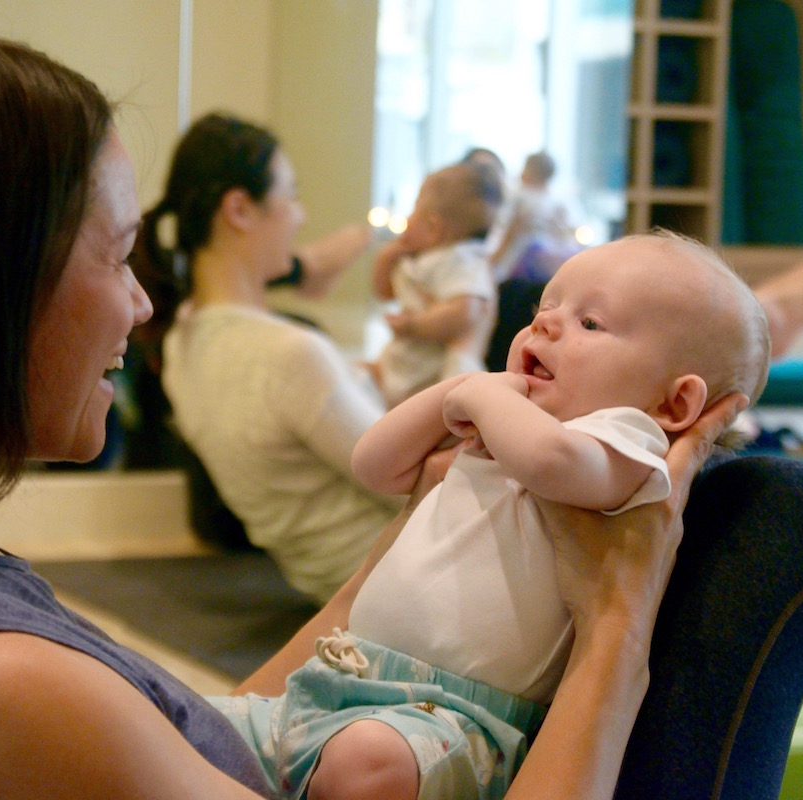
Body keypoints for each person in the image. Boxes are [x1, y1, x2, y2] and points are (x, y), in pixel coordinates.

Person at [0, 17, 803, 800]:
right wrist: (617, 625)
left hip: (371, 671)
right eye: (115, 257)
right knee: (772, 522)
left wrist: (425, 528)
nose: (142, 307)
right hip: (434, 723)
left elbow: (220, 733)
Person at [214, 231, 771, 799]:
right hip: (336, 677)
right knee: (188, 727)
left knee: (367, 762)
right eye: (544, 310)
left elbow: (551, 461)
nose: (545, 325)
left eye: (591, 324)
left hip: (452, 718)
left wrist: (481, 398)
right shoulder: (510, 416)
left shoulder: (626, 442)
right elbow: (374, 465)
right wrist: (457, 389)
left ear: (674, 405)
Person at [130, 112, 404, 603]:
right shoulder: (289, 354)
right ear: (238, 209)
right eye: (291, 194)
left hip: (341, 592)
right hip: (406, 588)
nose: (299, 215)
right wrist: (467, 349)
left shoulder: (179, 344)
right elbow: (411, 488)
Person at [367, 160, 504, 407]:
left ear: (433, 228)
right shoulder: (417, 258)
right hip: (406, 360)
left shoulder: (463, 259)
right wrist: (386, 259)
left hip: (438, 371)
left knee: (443, 403)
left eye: (413, 210)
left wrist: (413, 326)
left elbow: (465, 312)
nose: (407, 218)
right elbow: (385, 292)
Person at [487, 150, 582, 284]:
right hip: (517, 264)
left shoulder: (557, 202)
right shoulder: (518, 196)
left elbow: (570, 232)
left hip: (537, 266)